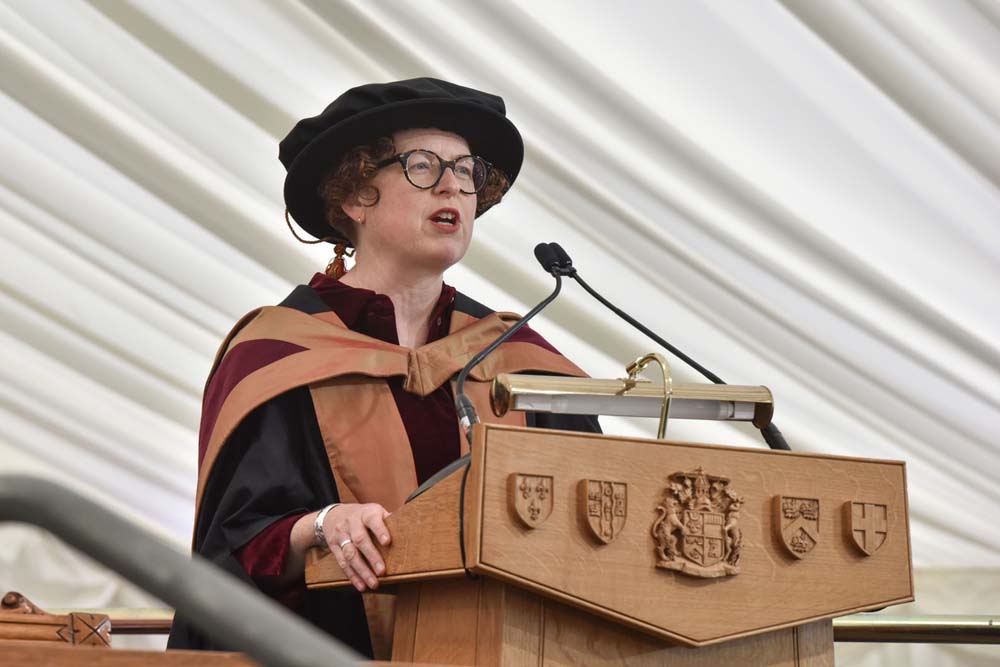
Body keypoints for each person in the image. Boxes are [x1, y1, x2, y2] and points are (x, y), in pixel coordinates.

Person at [166, 78, 600, 657]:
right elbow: (234, 550)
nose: (452, 185)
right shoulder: (278, 355)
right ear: (355, 196)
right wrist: (323, 525)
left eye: (466, 170)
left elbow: (597, 531)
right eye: (422, 166)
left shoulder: (520, 361)